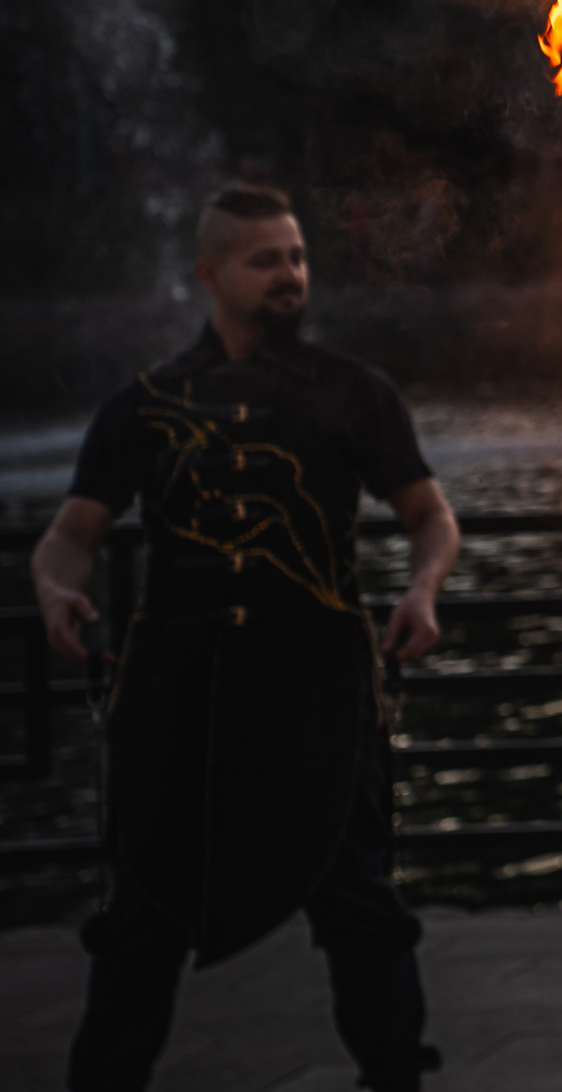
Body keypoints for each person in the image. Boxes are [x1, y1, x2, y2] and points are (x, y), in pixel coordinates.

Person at [30, 183, 458, 1092]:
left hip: (319, 689)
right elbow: (73, 534)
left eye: (297, 257)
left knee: (363, 910)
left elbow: (429, 516)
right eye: (265, 260)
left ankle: (396, 1079)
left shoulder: (354, 395)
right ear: (209, 273)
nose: (289, 275)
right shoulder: (145, 405)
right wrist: (53, 588)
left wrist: (422, 591)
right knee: (142, 914)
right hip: (178, 694)